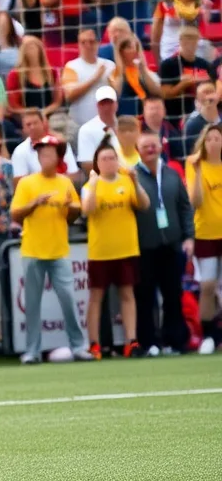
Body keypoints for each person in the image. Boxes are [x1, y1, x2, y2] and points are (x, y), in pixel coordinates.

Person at [10, 136, 91, 364]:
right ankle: (32, 351)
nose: (44, 157)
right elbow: (15, 214)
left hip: (58, 250)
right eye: (42, 153)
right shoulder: (27, 183)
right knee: (32, 304)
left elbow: (73, 215)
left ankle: (78, 346)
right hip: (33, 251)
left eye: (49, 153)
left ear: (58, 158)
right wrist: (34, 203)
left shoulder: (64, 183)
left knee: (68, 299)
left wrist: (72, 207)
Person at [82, 136, 150, 359]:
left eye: (112, 158)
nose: (110, 162)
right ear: (97, 163)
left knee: (127, 295)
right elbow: (87, 210)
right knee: (96, 297)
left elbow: (144, 204)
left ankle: (131, 340)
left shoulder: (126, 182)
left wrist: (136, 181)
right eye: (104, 159)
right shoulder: (90, 186)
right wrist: (93, 185)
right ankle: (94, 343)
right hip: (101, 251)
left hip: (126, 249)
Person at [133, 132, 194, 355]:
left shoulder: (172, 174)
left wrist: (188, 237)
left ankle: (175, 341)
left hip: (172, 244)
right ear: (137, 149)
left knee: (172, 295)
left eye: (154, 145)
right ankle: (149, 342)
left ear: (161, 147)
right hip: (143, 246)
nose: (151, 149)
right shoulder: (132, 176)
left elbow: (185, 207)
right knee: (145, 296)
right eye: (145, 146)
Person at [187, 125, 222, 354]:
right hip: (206, 233)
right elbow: (196, 200)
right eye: (208, 139)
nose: (213, 142)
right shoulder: (194, 166)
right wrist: (198, 169)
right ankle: (208, 335)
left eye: (217, 138)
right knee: (207, 285)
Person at [158, 23, 216, 126]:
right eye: (187, 39)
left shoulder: (204, 64)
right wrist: (184, 84)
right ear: (180, 40)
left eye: (194, 39)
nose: (190, 43)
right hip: (174, 117)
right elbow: (165, 94)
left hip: (201, 115)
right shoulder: (168, 65)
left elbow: (213, 90)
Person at [62, 29, 116, 135]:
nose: (87, 45)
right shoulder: (71, 67)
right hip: (79, 125)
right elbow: (69, 95)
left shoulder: (109, 65)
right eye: (83, 42)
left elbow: (116, 91)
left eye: (91, 42)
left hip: (106, 125)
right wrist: (95, 78)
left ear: (98, 43)